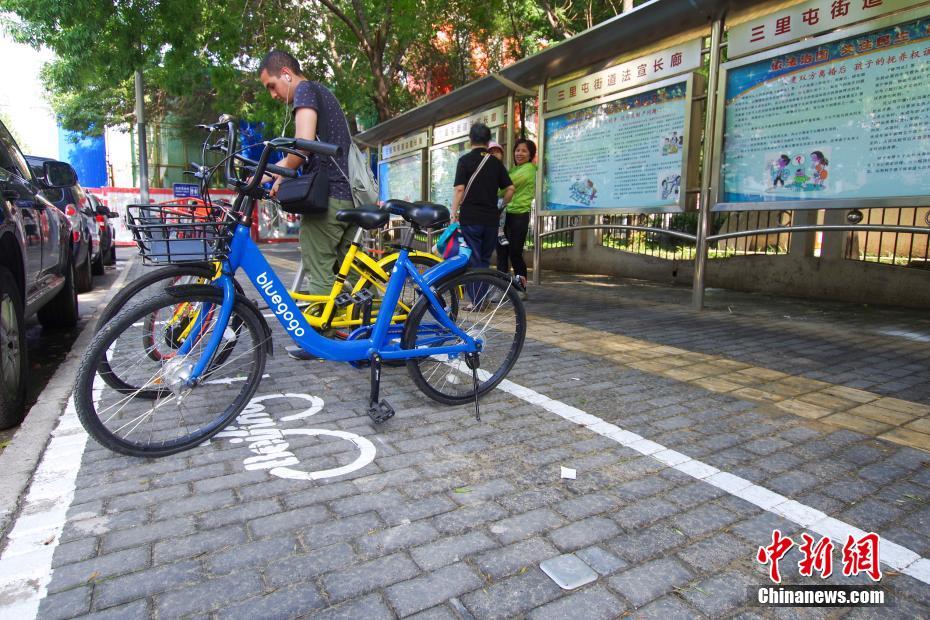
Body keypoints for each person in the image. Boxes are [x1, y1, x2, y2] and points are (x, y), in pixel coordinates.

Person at [258, 50, 355, 359]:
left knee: (320, 266)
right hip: (348, 194)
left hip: (329, 197)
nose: (273, 94)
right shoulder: (323, 92)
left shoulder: (305, 91)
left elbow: (301, 146)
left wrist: (276, 171)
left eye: (272, 85)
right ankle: (363, 326)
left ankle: (321, 339)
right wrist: (280, 173)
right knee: (347, 270)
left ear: (286, 73)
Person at [450, 124, 514, 306]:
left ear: (470, 139)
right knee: (484, 260)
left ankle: (477, 301)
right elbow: (510, 188)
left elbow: (459, 189)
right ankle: (481, 298)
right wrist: (501, 206)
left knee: (473, 259)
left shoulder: (464, 161)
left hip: (471, 218)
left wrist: (453, 213)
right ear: (488, 140)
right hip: (491, 220)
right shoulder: (495, 162)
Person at [496, 139, 536, 296]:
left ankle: (521, 288)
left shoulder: (529, 169)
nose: (519, 153)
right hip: (505, 214)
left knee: (515, 252)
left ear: (530, 154)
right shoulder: (514, 169)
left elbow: (504, 187)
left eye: (524, 151)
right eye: (517, 150)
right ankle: (501, 287)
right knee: (501, 253)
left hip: (519, 215)